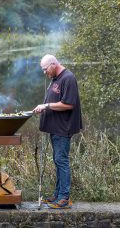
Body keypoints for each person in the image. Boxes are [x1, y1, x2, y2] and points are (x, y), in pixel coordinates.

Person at [33, 54, 82, 209]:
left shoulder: (68, 78)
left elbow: (68, 104)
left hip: (63, 128)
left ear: (53, 64)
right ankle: (57, 194)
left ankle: (63, 198)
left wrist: (46, 106)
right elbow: (55, 100)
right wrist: (44, 106)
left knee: (62, 161)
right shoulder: (56, 78)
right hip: (55, 128)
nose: (44, 72)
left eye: (45, 69)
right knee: (57, 160)